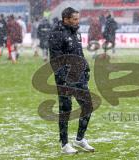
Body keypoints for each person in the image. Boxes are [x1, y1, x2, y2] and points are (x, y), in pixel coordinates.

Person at [49, 7, 94, 154]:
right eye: (75, 19)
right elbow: (56, 60)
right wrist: (64, 78)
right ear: (66, 19)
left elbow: (79, 53)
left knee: (88, 106)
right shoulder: (56, 34)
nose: (77, 21)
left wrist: (86, 69)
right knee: (66, 110)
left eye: (78, 19)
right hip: (65, 79)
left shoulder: (76, 32)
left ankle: (80, 139)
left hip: (79, 75)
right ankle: (64, 144)